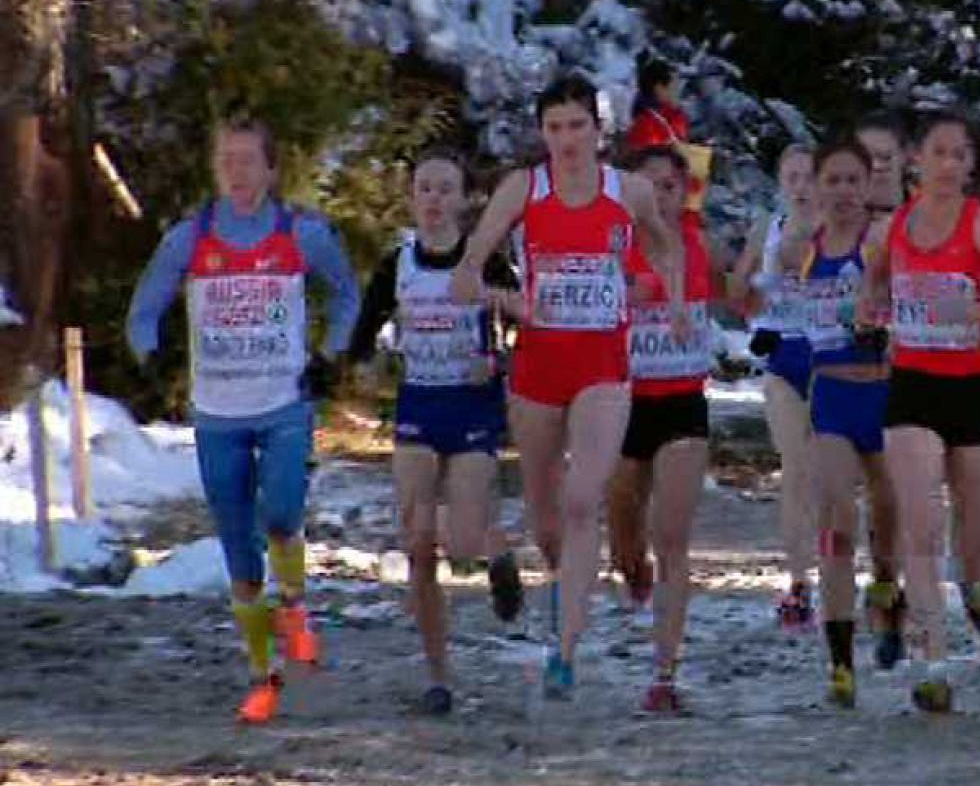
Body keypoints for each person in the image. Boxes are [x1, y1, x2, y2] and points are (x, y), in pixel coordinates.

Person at [449, 74, 685, 701]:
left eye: (577, 126)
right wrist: (481, 281)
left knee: (585, 500)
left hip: (603, 366)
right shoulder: (525, 189)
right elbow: (473, 258)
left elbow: (666, 246)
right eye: (554, 128)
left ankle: (566, 650)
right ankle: (563, 586)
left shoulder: (627, 190)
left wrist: (670, 293)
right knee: (548, 517)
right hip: (538, 368)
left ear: (598, 130)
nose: (566, 140)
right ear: (542, 133)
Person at [125, 118, 360, 723]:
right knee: (238, 552)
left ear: (272, 169)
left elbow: (347, 293)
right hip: (216, 414)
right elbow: (143, 311)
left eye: (248, 160)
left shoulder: (301, 234)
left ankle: (298, 606)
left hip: (283, 403)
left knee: (281, 514)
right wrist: (154, 358)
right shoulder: (189, 239)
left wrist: (332, 353)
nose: (237, 172)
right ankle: (263, 678)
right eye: (226, 160)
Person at [856, 109, 980, 712]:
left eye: (962, 155)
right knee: (922, 525)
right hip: (913, 386)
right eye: (940, 152)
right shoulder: (891, 230)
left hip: (973, 387)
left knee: (977, 534)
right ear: (916, 159)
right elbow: (871, 290)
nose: (951, 165)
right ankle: (933, 659)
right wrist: (872, 312)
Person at [348, 148, 519, 715]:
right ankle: (438, 676)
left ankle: (494, 549)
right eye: (425, 188)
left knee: (462, 543)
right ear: (411, 197)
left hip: (473, 407)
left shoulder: (483, 259)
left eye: (446, 189)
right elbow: (361, 333)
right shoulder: (398, 264)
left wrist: (497, 361)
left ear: (466, 199)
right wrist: (345, 365)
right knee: (418, 543)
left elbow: (527, 320)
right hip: (420, 402)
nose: (434, 200)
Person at [605, 145, 729, 712]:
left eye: (670, 187)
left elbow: (748, 292)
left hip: (683, 402)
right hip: (623, 403)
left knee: (672, 534)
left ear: (685, 195)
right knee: (624, 523)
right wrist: (634, 295)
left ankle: (664, 672)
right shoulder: (614, 245)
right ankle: (632, 569)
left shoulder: (701, 250)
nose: (659, 196)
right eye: (648, 185)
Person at [776, 137, 893, 708]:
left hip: (887, 391)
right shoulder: (801, 247)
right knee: (837, 521)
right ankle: (841, 661)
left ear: (869, 186)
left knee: (888, 519)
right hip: (832, 395)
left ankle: (889, 587)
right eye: (833, 182)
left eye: (854, 181)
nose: (844, 192)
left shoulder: (883, 241)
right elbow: (766, 292)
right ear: (817, 188)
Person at [728, 143, 820, 628]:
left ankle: (856, 570)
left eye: (810, 177)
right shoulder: (767, 228)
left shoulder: (842, 231)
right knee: (796, 469)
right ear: (781, 183)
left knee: (837, 476)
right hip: (784, 354)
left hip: (834, 357)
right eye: (792, 178)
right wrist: (754, 289)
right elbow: (737, 294)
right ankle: (798, 580)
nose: (801, 188)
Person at [851, 111, 914, 667]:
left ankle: (893, 587)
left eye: (885, 162)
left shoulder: (922, 222)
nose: (873, 174)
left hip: (909, 370)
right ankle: (878, 586)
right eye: (863, 162)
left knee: (896, 494)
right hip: (842, 373)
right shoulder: (830, 222)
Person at [625, 57, 690, 152]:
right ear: (659, 88)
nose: (680, 89)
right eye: (675, 85)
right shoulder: (644, 123)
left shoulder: (675, 113)